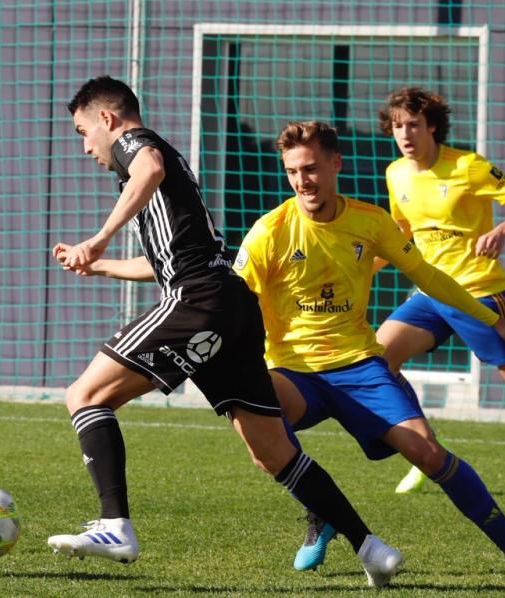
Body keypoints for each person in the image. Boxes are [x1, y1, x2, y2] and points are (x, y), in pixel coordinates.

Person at [47, 76, 404, 587]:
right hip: (231, 303)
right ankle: (371, 547)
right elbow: (166, 261)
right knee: (273, 452)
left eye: (83, 131)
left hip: (199, 300)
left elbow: (146, 166)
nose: (85, 146)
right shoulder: (165, 171)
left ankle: (114, 525)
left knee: (86, 395)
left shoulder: (135, 146)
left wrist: (99, 238)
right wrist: (100, 267)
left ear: (107, 119)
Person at [233, 120, 505, 578]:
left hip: (360, 367)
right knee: (254, 422)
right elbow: (231, 298)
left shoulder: (370, 222)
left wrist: (493, 320)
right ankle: (320, 511)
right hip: (293, 371)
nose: (302, 180)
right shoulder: (270, 231)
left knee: (428, 453)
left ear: (335, 164)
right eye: (292, 172)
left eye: (310, 169)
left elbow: (428, 275)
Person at [371, 87, 505, 499]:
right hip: (431, 294)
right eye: (398, 127)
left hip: (480, 293)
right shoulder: (395, 172)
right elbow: (403, 232)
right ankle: (426, 453)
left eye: (413, 125)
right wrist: (368, 267)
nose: (405, 134)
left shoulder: (468, 166)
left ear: (432, 126)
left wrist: (501, 230)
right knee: (379, 359)